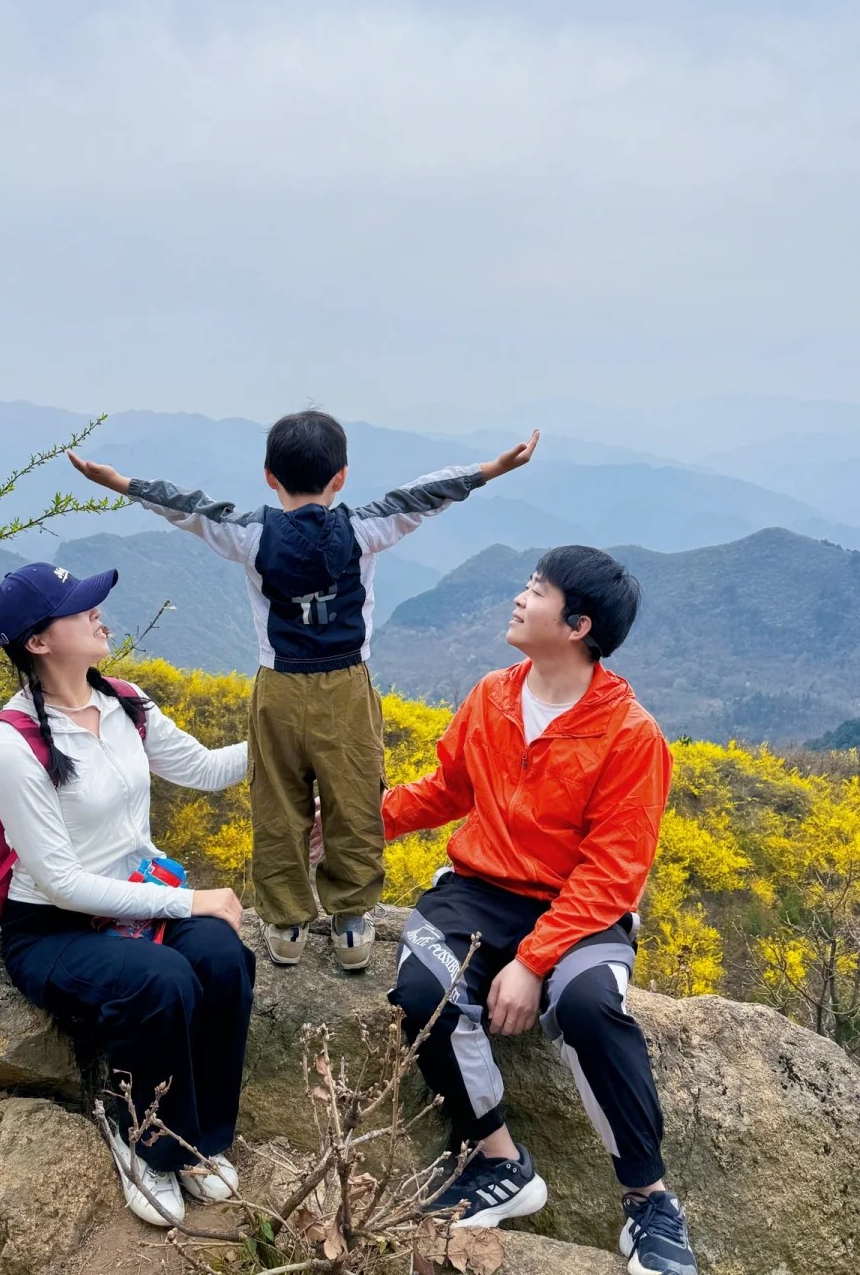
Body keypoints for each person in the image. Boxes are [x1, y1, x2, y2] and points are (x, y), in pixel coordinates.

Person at [69, 413, 538, 970]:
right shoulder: (365, 530)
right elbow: (426, 494)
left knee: (278, 800)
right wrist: (491, 469)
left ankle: (288, 924)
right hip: (347, 687)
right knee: (356, 799)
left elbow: (188, 507)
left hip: (279, 687)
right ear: (340, 476)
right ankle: (351, 924)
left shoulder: (249, 535)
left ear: (270, 476)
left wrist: (122, 483)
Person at [383, 546, 699, 1275]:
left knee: (588, 1004)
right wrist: (368, 822)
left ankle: (648, 1200)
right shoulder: (494, 693)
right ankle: (501, 1163)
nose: (520, 599)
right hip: (477, 891)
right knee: (422, 994)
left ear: (578, 624)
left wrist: (531, 963)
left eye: (537, 591)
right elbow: (448, 787)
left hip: (578, 907)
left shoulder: (630, 734)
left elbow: (612, 874)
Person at [0, 561, 255, 1230]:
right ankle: (145, 1140)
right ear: (39, 642)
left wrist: (288, 738)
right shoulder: (17, 744)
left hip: (133, 896)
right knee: (162, 980)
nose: (98, 615)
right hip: (53, 926)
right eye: (79, 610)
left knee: (223, 959)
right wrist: (191, 901)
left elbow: (206, 769)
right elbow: (60, 883)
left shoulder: (125, 703)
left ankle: (199, 1137)